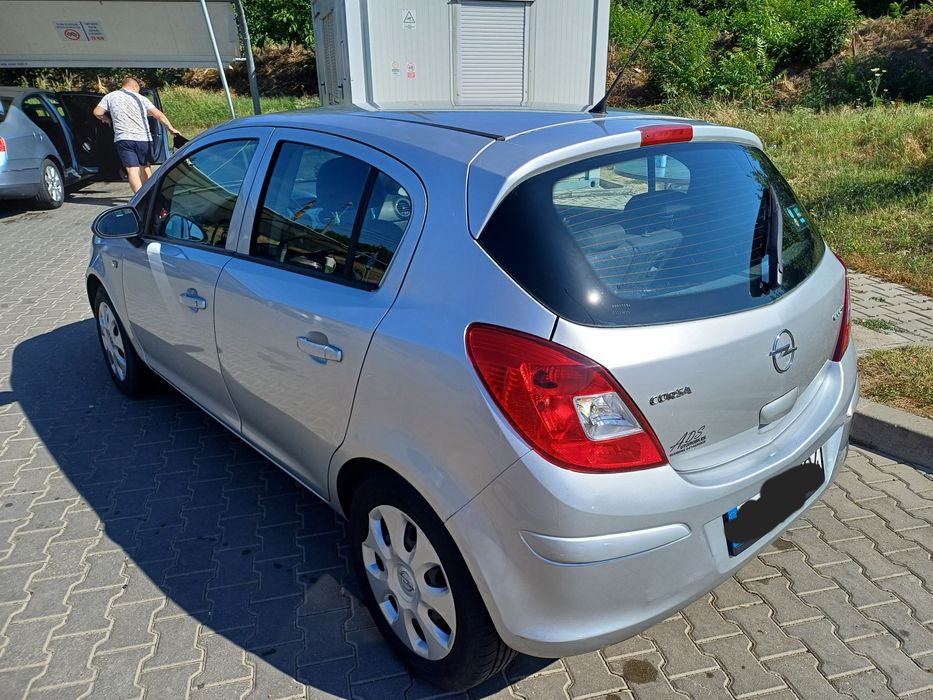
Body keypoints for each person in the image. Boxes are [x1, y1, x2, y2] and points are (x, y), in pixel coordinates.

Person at [93, 76, 180, 193]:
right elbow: (159, 115)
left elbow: (97, 112)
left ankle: (139, 198)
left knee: (132, 170)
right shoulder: (141, 98)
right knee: (146, 167)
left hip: (123, 139)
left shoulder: (110, 96)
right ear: (135, 86)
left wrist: (106, 119)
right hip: (143, 139)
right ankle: (150, 194)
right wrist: (171, 129)